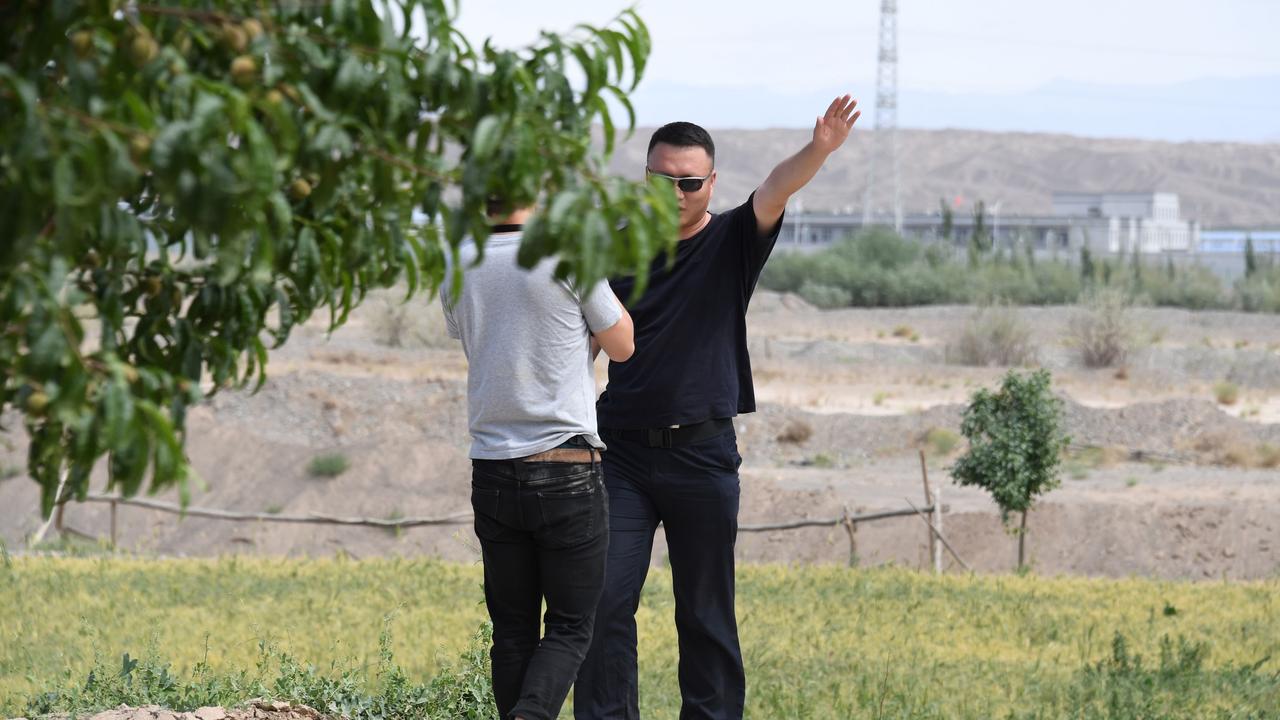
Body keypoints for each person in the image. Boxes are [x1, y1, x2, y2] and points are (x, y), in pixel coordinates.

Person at [575, 95, 861, 720]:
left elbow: (775, 188)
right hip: (619, 453)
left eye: (690, 182)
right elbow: (582, 350)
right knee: (600, 603)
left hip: (702, 457)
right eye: (663, 180)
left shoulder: (733, 239)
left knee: (704, 612)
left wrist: (819, 149)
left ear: (710, 182)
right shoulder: (612, 250)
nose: (677, 193)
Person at [441, 199, 635, 720]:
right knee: (571, 627)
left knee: (512, 631)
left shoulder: (458, 263)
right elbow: (623, 345)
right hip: (566, 468)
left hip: (493, 469)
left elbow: (496, 343)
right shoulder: (568, 256)